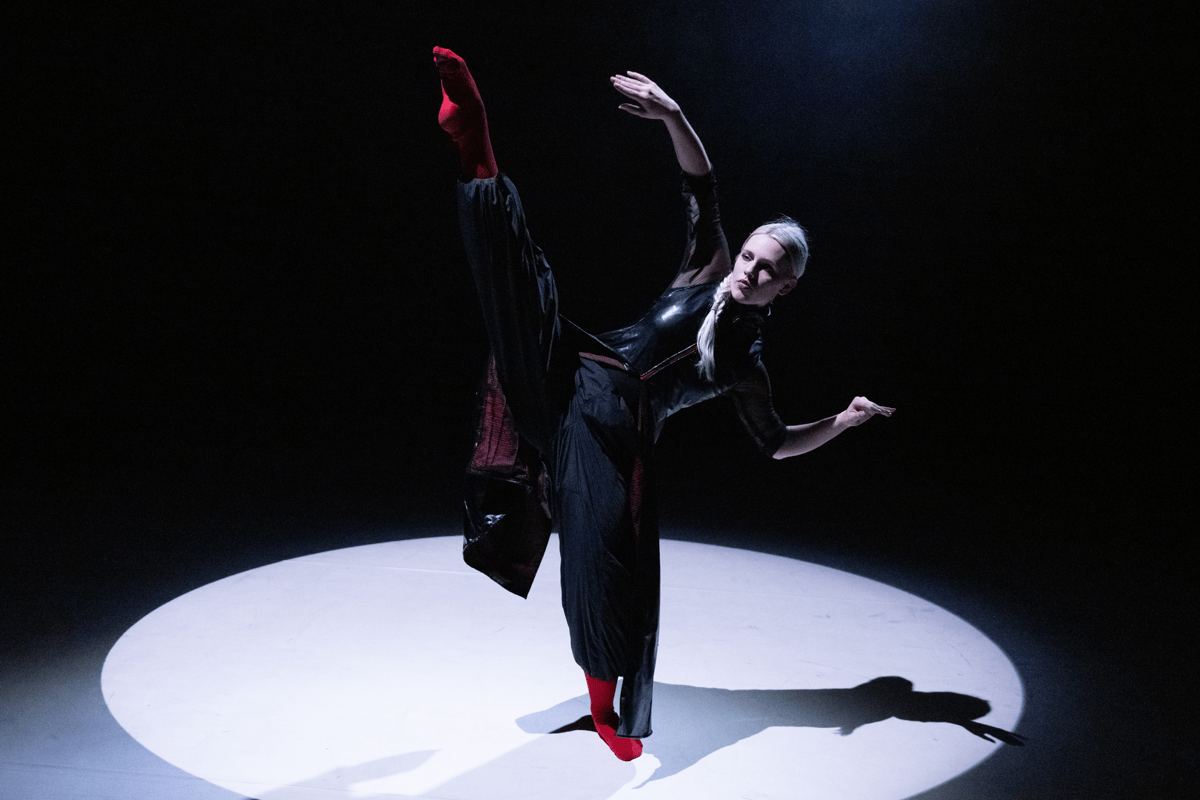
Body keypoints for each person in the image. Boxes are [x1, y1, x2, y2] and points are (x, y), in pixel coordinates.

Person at [433, 46, 893, 762]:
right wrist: (674, 115)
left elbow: (775, 443)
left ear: (786, 288)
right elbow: (700, 185)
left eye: (769, 268)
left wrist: (841, 421)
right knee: (521, 284)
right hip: (580, 366)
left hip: (615, 437)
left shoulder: (746, 365)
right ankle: (475, 142)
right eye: (750, 255)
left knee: (602, 572)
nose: (751, 268)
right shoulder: (705, 267)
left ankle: (604, 711)